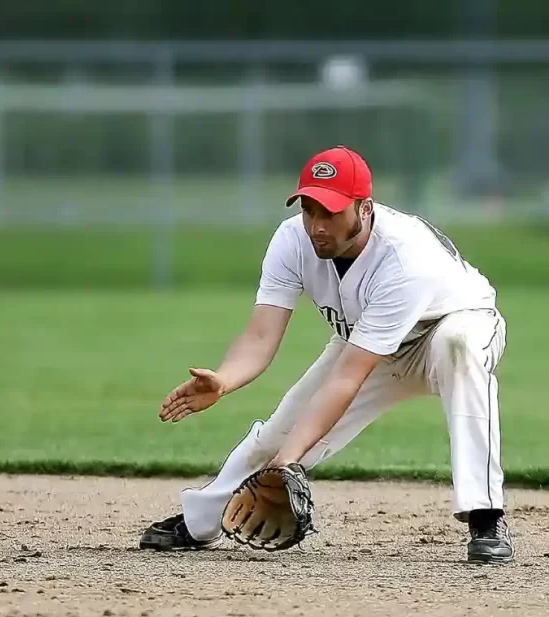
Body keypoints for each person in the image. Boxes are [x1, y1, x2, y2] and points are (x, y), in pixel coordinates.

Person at [138, 145, 513, 564]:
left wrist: (287, 465)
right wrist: (225, 379)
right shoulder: (292, 240)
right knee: (280, 432)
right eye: (310, 209)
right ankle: (203, 520)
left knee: (457, 347)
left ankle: (486, 515)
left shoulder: (406, 258)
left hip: (450, 325)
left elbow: (346, 379)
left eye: (331, 212)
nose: (317, 225)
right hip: (366, 343)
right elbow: (262, 335)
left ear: (364, 208)